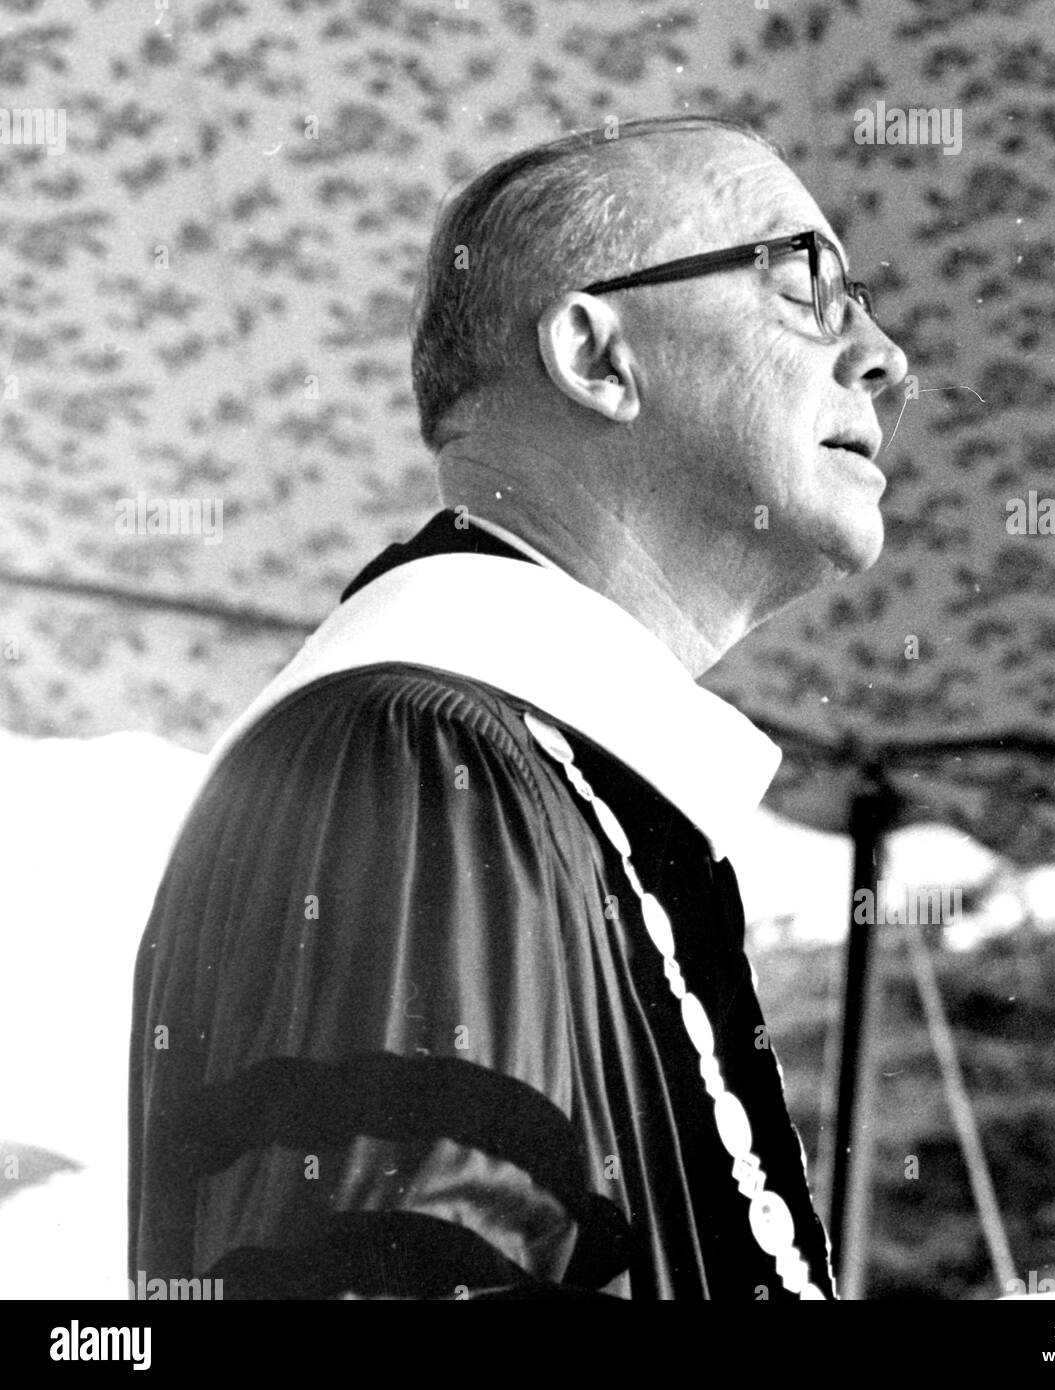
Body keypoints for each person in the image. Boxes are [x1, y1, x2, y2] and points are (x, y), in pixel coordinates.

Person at [128, 114, 907, 1301]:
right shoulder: (422, 760)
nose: (886, 357)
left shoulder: (521, 768)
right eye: (807, 282)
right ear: (598, 357)